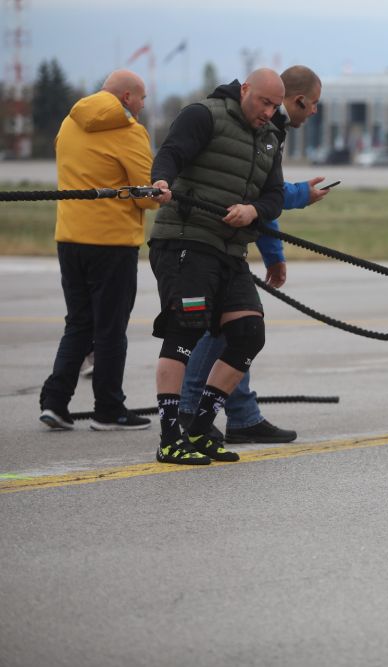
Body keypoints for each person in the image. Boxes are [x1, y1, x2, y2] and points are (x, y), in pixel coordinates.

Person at [179, 65, 329, 445]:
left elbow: (263, 200)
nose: (313, 112)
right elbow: (257, 193)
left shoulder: (269, 128)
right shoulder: (260, 127)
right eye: (312, 105)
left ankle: (242, 415)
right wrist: (302, 196)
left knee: (240, 328)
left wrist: (273, 254)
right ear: (296, 100)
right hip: (202, 239)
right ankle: (191, 411)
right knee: (221, 330)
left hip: (229, 240)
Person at [147, 68, 286, 465]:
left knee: (248, 332)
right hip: (186, 242)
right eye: (264, 102)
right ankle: (170, 438)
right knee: (184, 331)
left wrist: (253, 211)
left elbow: (274, 195)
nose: (269, 111)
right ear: (245, 90)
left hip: (230, 252)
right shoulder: (203, 115)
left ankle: (199, 428)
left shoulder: (271, 138)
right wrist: (161, 182)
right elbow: (171, 153)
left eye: (275, 105)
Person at [39, 69, 157, 431]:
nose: (142, 105)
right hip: (111, 243)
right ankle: (109, 409)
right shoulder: (129, 131)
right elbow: (147, 194)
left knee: (78, 323)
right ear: (126, 97)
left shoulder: (69, 123)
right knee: (110, 329)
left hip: (70, 237)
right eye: (141, 98)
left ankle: (55, 403)